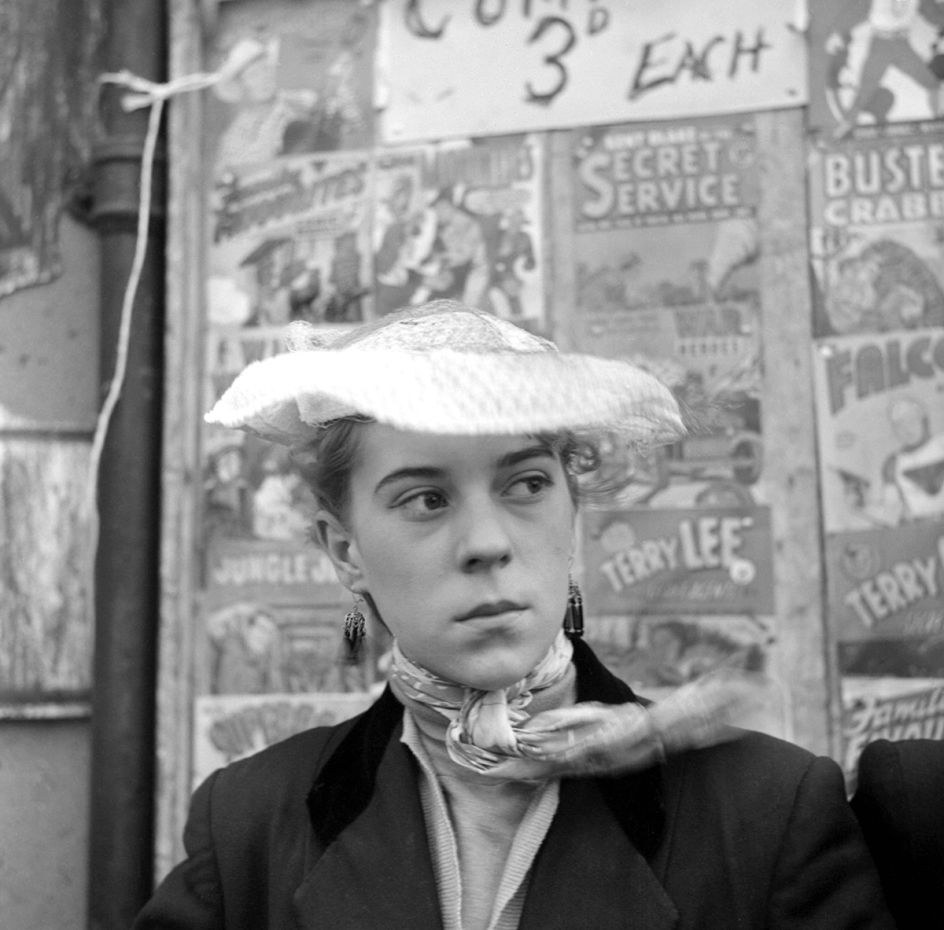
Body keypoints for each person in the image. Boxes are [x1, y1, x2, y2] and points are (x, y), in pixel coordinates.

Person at [135, 301, 893, 929]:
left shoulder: (767, 809)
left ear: (572, 511)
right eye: (426, 499)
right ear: (345, 550)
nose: (487, 543)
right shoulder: (251, 825)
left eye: (526, 484)